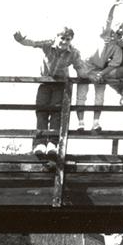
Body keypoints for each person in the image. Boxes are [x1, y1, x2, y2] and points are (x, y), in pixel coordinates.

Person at [13, 27, 90, 155]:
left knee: (56, 114)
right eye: (62, 38)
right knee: (41, 112)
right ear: (56, 37)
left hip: (61, 84)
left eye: (68, 39)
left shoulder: (73, 52)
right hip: (45, 82)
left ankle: (52, 144)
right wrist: (21, 40)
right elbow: (33, 43)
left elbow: (80, 68)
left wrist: (91, 76)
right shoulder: (48, 44)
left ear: (71, 40)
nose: (64, 42)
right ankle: (39, 144)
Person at [76, 1, 123, 130]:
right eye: (121, 27)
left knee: (99, 96)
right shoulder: (105, 34)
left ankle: (96, 123)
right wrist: (113, 6)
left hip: (100, 70)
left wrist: (102, 73)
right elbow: (108, 20)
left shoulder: (117, 48)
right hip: (86, 68)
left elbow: (113, 64)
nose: (121, 30)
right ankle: (80, 123)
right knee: (81, 95)